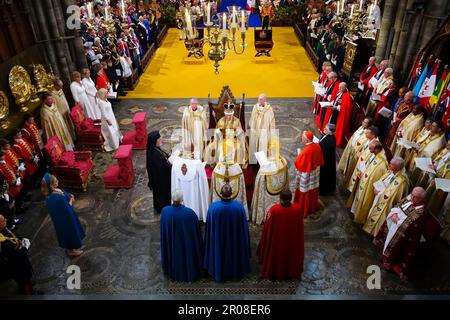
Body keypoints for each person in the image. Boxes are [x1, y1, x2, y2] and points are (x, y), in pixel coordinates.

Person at [373, 187, 427, 280]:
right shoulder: (409, 198)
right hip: (394, 226)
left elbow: (408, 226)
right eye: (412, 194)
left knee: (395, 248)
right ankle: (385, 255)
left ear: (421, 199)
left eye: (415, 197)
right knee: (388, 241)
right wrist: (394, 213)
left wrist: (397, 221)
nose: (412, 197)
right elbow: (398, 206)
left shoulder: (420, 213)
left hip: (403, 236)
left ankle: (389, 262)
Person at [203, 184, 251, 282]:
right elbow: (244, 228)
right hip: (234, 240)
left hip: (218, 241)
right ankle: (235, 271)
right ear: (232, 193)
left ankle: (219, 270)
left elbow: (209, 229)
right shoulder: (239, 207)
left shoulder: (213, 208)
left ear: (220, 194)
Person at [257, 188, 304, 280]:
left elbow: (267, 230)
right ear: (291, 198)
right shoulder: (297, 209)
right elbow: (300, 229)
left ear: (280, 198)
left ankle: (275, 271)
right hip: (292, 241)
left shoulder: (274, 210)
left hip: (277, 242)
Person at [160, 190, 203, 282]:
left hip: (172, 243)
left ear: (172, 199)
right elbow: (196, 233)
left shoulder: (165, 211)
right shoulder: (190, 213)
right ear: (182, 200)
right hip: (185, 243)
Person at [363, 157, 409, 237]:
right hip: (378, 198)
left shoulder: (402, 181)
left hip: (386, 205)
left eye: (392, 164)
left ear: (398, 168)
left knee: (380, 219)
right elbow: (383, 180)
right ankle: (369, 228)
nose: (389, 165)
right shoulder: (391, 171)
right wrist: (376, 188)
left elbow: (394, 196)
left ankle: (375, 234)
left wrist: (379, 193)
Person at [41, 173, 85, 257]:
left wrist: (69, 195)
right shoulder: (56, 197)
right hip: (65, 219)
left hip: (62, 218)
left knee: (66, 233)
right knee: (69, 232)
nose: (58, 181)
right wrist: (71, 200)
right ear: (51, 185)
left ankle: (70, 248)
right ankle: (71, 250)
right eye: (56, 180)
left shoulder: (52, 193)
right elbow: (67, 207)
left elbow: (64, 194)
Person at [346, 140, 388, 225]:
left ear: (376, 149)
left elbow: (377, 177)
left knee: (363, 200)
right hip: (362, 180)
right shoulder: (374, 154)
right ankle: (354, 210)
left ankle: (359, 215)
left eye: (371, 148)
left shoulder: (382, 164)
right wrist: (361, 172)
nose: (369, 150)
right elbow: (367, 165)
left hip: (367, 185)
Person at [0, 214, 34, 294]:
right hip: (17, 265)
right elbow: (15, 252)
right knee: (24, 279)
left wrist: (20, 238)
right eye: (3, 220)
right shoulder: (4, 242)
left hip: (15, 263)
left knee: (24, 279)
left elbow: (13, 237)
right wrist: (25, 247)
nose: (6, 219)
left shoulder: (3, 230)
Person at [293, 131, 324, 217]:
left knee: (305, 191)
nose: (301, 138)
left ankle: (303, 209)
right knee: (312, 190)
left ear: (306, 140)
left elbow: (298, 163)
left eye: (302, 137)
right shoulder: (317, 145)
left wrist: (299, 155)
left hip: (307, 175)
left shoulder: (306, 151)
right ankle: (312, 207)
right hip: (315, 174)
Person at [146, 131, 172, 214]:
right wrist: (170, 166)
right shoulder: (154, 156)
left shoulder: (155, 149)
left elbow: (163, 156)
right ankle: (162, 209)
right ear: (154, 141)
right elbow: (162, 170)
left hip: (160, 180)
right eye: (159, 138)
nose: (161, 138)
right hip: (160, 182)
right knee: (161, 196)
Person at [249, 93, 276, 165]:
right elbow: (252, 118)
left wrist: (272, 131)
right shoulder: (255, 107)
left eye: (261, 99)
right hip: (256, 129)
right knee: (255, 144)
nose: (259, 100)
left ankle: (262, 162)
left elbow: (272, 120)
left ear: (264, 100)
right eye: (258, 99)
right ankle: (254, 160)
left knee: (263, 144)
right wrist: (252, 128)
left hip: (265, 130)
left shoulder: (269, 109)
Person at [330, 82, 352, 148]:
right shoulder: (340, 93)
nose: (339, 89)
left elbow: (345, 107)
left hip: (339, 114)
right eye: (339, 87)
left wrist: (336, 107)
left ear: (345, 87)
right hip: (335, 111)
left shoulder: (347, 95)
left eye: (341, 87)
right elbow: (336, 100)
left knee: (336, 126)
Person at [319, 124, 336, 195]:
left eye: (326, 129)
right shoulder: (327, 136)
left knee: (325, 176)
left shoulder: (330, 140)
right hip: (326, 159)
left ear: (330, 132)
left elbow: (324, 151)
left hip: (327, 161)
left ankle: (324, 190)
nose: (324, 129)